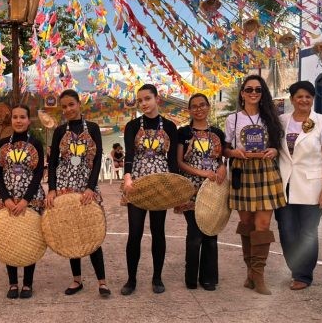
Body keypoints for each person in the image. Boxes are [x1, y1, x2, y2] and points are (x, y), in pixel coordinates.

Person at [224, 75, 286, 295]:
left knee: (263, 224)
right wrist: (234, 152)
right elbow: (225, 149)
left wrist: (274, 150)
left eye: (258, 90)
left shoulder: (271, 117)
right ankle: (250, 271)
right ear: (242, 93)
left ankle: (258, 275)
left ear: (262, 93)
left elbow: (278, 146)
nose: (253, 93)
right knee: (247, 223)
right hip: (242, 171)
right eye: (249, 89)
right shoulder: (233, 119)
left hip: (266, 171)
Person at [45, 89, 110, 297]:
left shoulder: (93, 128)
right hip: (65, 184)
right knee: (71, 231)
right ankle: (77, 280)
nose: (68, 109)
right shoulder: (59, 131)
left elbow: (97, 159)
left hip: (86, 185)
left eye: (71, 104)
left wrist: (91, 186)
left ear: (79, 104)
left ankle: (102, 282)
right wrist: (52, 189)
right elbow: (53, 163)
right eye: (64, 106)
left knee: (92, 229)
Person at [275, 81, 322, 290]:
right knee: (286, 230)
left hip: (312, 186)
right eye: (299, 96)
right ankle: (295, 268)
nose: (304, 100)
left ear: (313, 99)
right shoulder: (282, 121)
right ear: (292, 99)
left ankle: (303, 275)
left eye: (308, 97)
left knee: (308, 232)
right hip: (285, 185)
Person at [120, 84, 178, 295]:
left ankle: (157, 278)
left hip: (161, 183)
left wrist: (174, 185)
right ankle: (131, 280)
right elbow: (129, 153)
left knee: (158, 231)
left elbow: (172, 159)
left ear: (157, 99)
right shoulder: (132, 125)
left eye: (147, 99)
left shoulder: (170, 126)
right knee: (135, 232)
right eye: (140, 101)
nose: (143, 103)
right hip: (137, 182)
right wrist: (127, 176)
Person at [0, 105, 45, 299]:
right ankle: (13, 283)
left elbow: (38, 173)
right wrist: (6, 198)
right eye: (15, 117)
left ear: (29, 120)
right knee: (9, 237)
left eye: (22, 117)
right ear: (11, 120)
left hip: (30, 197)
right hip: (7, 198)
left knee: (29, 238)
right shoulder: (3, 143)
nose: (19, 121)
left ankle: (28, 284)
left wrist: (25, 200)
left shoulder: (36, 143)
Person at [175, 93, 227, 291]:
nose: (199, 109)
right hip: (191, 187)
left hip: (213, 188)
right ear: (189, 110)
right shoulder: (183, 132)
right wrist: (202, 173)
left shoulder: (217, 133)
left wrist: (222, 168)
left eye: (202, 105)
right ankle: (191, 277)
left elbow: (221, 159)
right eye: (194, 106)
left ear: (208, 107)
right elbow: (180, 162)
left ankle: (209, 278)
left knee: (211, 231)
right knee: (195, 233)